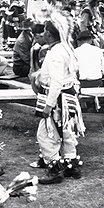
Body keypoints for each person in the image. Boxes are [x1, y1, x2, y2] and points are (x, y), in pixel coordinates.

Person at [32, 12, 85, 184]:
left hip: (58, 98)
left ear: (49, 34)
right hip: (68, 95)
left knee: (46, 134)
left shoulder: (55, 53)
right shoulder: (66, 48)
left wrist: (48, 105)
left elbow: (56, 81)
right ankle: (72, 166)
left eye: (46, 31)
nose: (43, 33)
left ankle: (55, 170)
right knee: (67, 131)